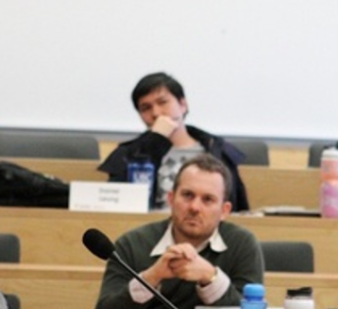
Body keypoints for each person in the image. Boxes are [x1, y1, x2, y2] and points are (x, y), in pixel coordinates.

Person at [94, 154, 263, 309]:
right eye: (188, 195)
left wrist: (210, 277)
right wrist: (152, 277)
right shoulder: (132, 244)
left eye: (207, 199)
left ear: (224, 211)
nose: (195, 207)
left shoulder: (242, 245)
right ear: (171, 199)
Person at [98, 72, 250, 212]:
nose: (156, 113)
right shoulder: (130, 154)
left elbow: (238, 208)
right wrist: (156, 140)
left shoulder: (217, 150)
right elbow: (117, 205)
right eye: (146, 108)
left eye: (162, 102)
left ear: (183, 105)